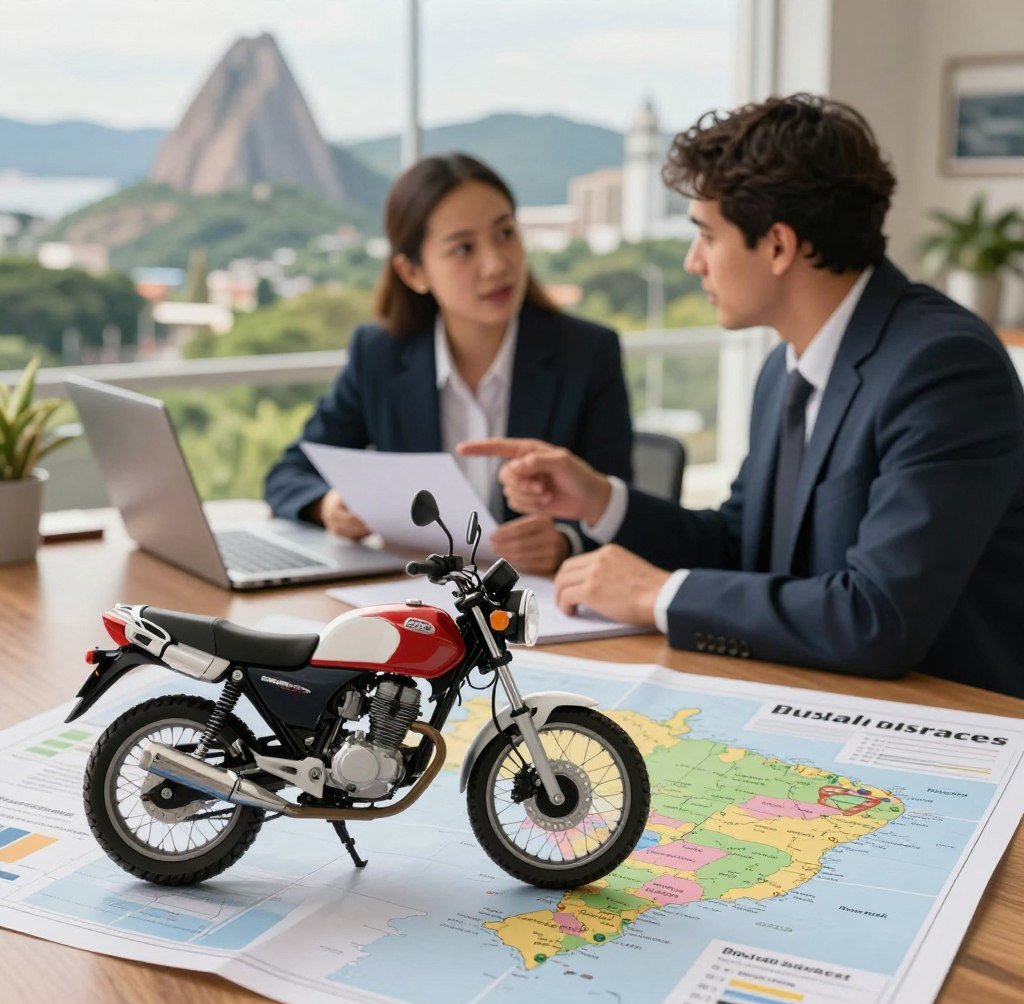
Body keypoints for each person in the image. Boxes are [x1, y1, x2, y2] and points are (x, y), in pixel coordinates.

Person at [461, 94, 1024, 698]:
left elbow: (877, 617)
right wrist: (600, 500)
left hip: (949, 723)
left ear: (779, 246)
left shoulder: (942, 367)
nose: (692, 261)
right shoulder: (786, 365)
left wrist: (657, 595)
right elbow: (742, 543)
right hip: (812, 692)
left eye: (706, 234)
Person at [264, 153, 633, 574]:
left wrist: (566, 541)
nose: (496, 264)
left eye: (506, 233)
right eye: (463, 248)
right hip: (412, 598)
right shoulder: (380, 354)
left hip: (532, 609)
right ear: (413, 272)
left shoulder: (587, 353)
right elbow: (289, 474)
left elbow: (621, 505)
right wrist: (328, 505)